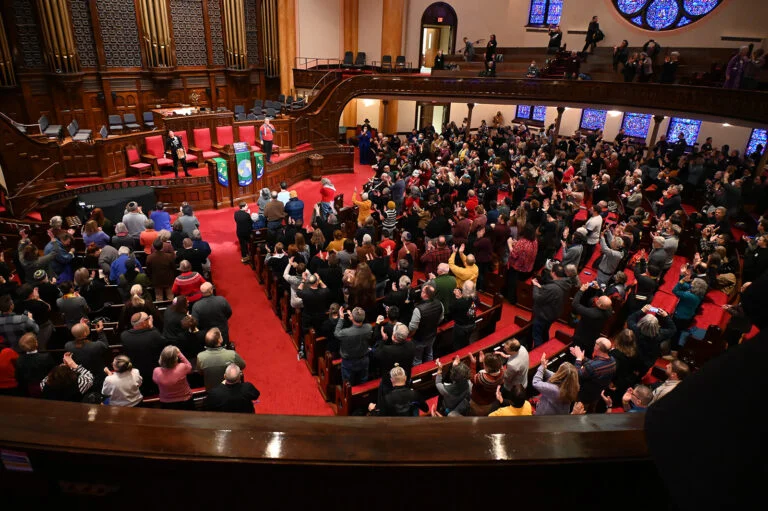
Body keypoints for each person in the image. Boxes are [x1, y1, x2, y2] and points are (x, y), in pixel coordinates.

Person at [120, 312, 167, 396]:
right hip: (152, 372)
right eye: (148, 319)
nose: (149, 319)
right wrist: (152, 327)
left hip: (135, 374)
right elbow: (163, 343)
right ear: (144, 323)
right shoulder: (153, 334)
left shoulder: (124, 335)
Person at [530, 267, 577, 348]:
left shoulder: (553, 287)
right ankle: (545, 348)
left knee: (537, 335)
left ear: (554, 273)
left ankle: (538, 353)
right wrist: (541, 287)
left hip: (543, 315)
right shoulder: (565, 284)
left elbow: (537, 298)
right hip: (553, 314)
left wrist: (535, 286)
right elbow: (551, 295)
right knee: (545, 332)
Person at [571, 338, 616, 411]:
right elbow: (594, 366)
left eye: (595, 343)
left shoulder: (592, 366)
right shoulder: (613, 361)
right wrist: (583, 358)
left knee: (580, 413)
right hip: (597, 394)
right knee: (591, 410)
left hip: (584, 397)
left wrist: (579, 359)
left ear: (597, 347)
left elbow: (577, 374)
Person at [334, 306, 372, 385]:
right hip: (364, 360)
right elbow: (358, 326)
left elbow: (336, 333)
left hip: (349, 362)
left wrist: (341, 318)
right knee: (363, 383)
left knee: (348, 384)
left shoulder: (346, 332)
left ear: (352, 318)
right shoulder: (368, 327)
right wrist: (353, 317)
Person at [408, 284, 444, 365]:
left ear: (425, 294)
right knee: (429, 353)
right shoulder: (440, 304)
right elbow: (441, 318)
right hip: (432, 335)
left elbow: (412, 327)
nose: (421, 292)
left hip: (419, 339)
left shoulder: (418, 309)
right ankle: (430, 369)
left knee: (417, 359)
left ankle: (420, 374)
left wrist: (410, 335)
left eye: (423, 291)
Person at [153, 345, 194, 409]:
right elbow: (189, 366)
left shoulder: (156, 371)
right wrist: (179, 353)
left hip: (166, 403)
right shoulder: (182, 367)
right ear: (176, 358)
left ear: (161, 358)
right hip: (185, 401)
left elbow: (155, 380)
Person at [468, 351, 504, 416]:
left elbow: (472, 378)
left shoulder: (483, 378)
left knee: (476, 413)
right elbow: (489, 371)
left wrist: (473, 364)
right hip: (490, 399)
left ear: (486, 367)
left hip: (478, 401)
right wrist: (482, 364)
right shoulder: (501, 372)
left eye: (484, 364)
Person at [451, 280, 478, 350]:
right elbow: (468, 304)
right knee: (466, 341)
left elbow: (451, 309)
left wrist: (457, 298)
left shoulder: (459, 302)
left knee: (457, 345)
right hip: (472, 324)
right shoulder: (476, 298)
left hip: (461, 327)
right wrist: (461, 298)